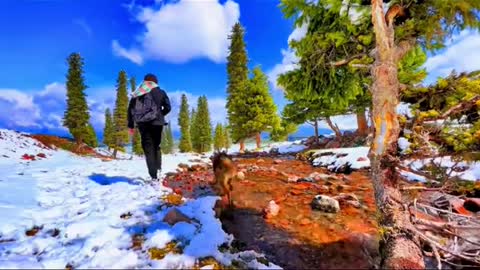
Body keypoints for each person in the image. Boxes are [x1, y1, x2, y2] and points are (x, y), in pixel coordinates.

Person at [128, 73, 171, 180]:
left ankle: (153, 176)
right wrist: (160, 114)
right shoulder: (160, 92)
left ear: (145, 81)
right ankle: (158, 168)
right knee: (156, 146)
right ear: (155, 82)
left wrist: (131, 125)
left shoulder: (138, 93)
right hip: (157, 124)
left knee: (148, 149)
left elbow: (130, 109)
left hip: (143, 124)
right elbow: (168, 107)